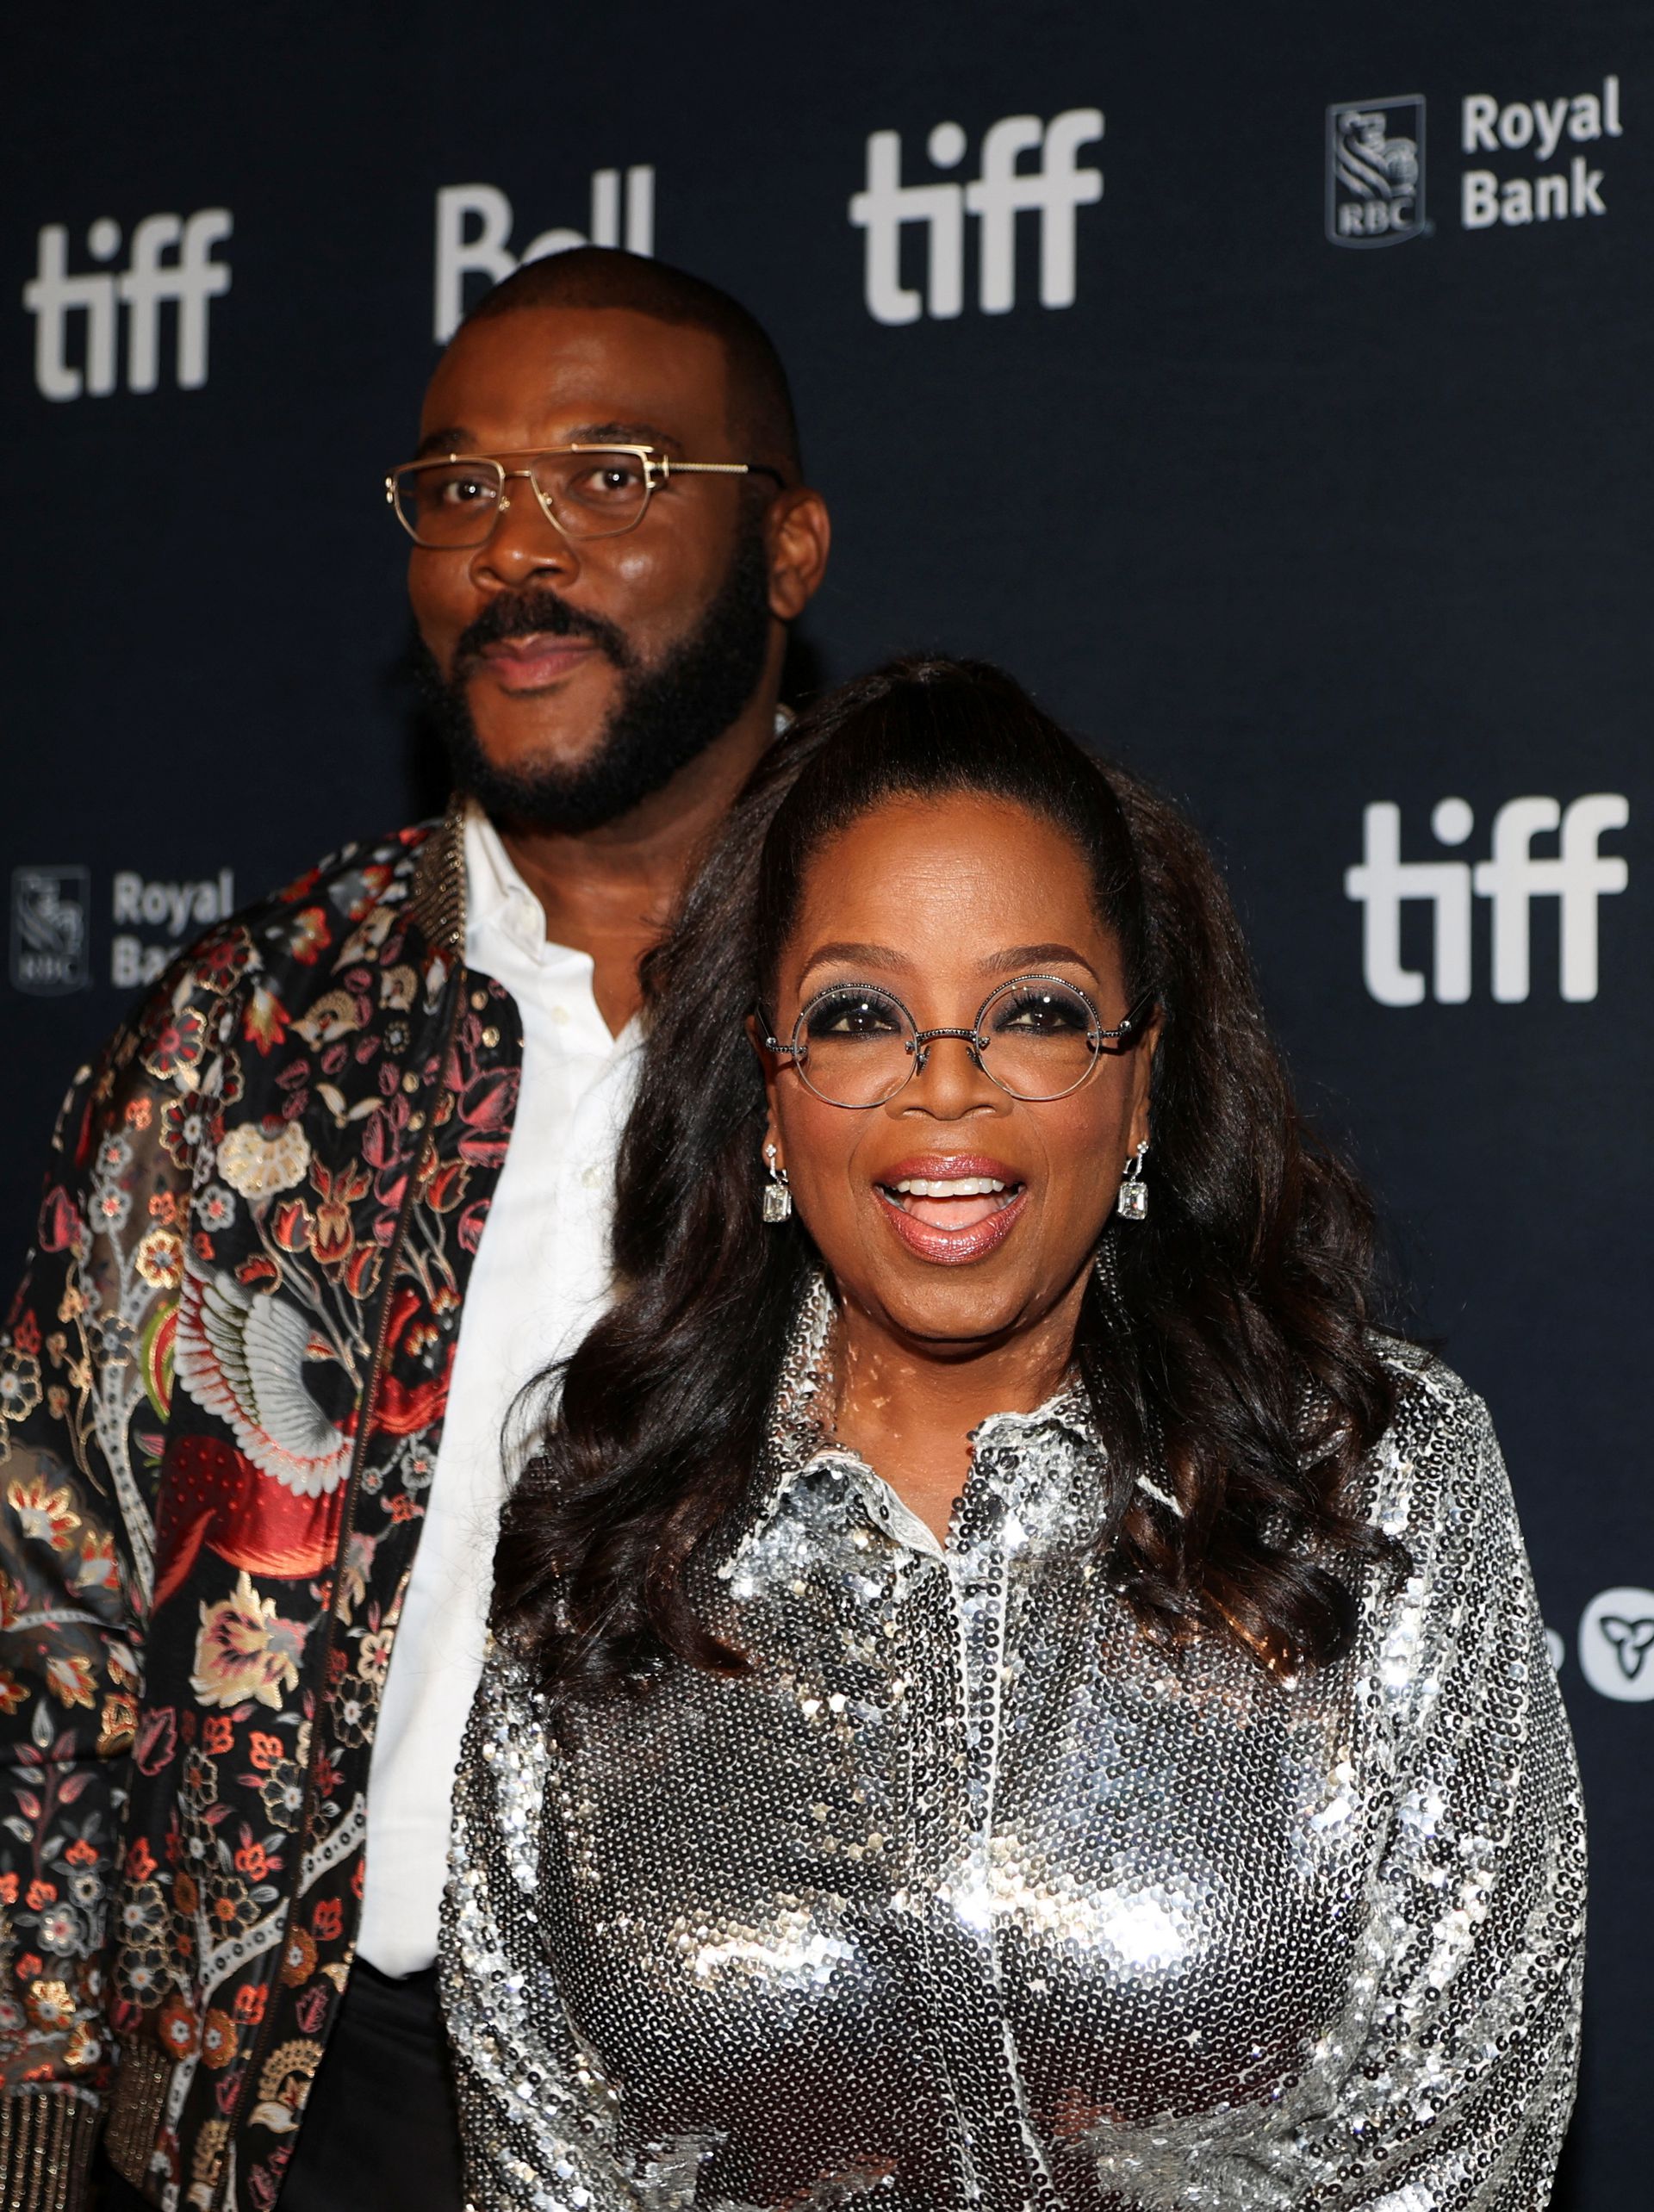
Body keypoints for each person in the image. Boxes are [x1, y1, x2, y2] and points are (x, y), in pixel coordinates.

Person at [444, 659, 1585, 2212]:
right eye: (861, 1016)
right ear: (768, 1097)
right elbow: (545, 2149)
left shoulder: (1367, 1479)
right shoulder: (611, 1513)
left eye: (1034, 1014)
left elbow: (1464, 2136)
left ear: (1139, 1087)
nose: (950, 1093)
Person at [0, 248, 830, 2212]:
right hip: (300, 2108)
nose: (514, 551)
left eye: (612, 475)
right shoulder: (247, 1030)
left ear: (787, 546)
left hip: (785, 2115)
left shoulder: (925, 1015)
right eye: (459, 491)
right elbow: (48, 1579)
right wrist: (43, 2059)